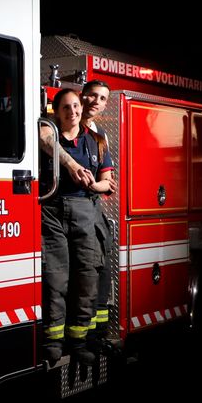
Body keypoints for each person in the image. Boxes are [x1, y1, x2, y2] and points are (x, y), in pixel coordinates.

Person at [40, 88, 114, 367]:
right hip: (52, 213)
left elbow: (108, 182)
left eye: (75, 107)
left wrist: (94, 185)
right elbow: (43, 137)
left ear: (81, 110)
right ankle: (53, 343)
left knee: (86, 279)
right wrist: (71, 166)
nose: (72, 111)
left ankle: (79, 343)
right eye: (66, 108)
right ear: (56, 113)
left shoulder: (96, 142)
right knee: (55, 279)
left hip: (86, 210)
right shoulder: (47, 134)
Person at [78, 80, 116, 344]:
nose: (96, 101)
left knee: (102, 271)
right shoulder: (68, 129)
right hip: (75, 211)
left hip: (94, 209)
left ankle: (98, 332)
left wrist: (94, 184)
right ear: (82, 96)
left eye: (102, 98)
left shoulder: (100, 136)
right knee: (84, 274)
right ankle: (83, 336)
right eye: (92, 95)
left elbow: (108, 182)